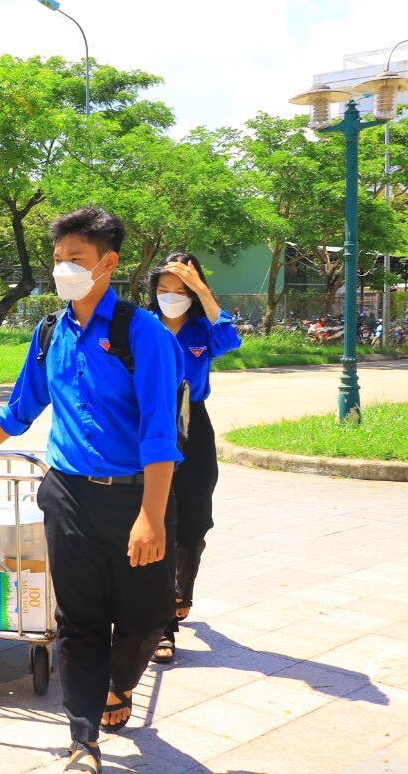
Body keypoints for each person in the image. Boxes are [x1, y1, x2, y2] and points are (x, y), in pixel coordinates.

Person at [0, 208, 183, 773]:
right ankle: (83, 740)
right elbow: (22, 406)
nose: (64, 270)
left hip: (137, 497)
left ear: (109, 262)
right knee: (80, 620)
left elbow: (160, 431)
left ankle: (120, 684)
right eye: (58, 260)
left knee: (144, 619)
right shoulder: (49, 331)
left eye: (75, 260)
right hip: (68, 496)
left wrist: (151, 516)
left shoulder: (143, 333)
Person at [146, 253, 241, 665]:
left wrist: (202, 290)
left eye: (180, 290)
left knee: (196, 517)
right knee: (156, 519)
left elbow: (231, 339)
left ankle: (183, 590)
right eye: (164, 289)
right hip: (151, 423)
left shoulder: (204, 329)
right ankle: (162, 625)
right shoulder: (142, 327)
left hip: (193, 424)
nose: (171, 297)